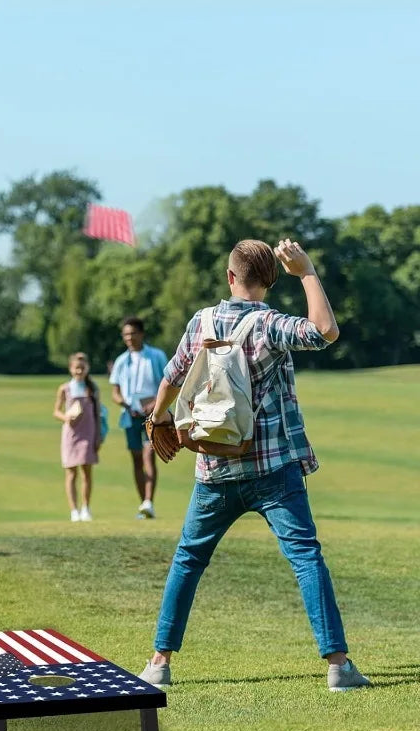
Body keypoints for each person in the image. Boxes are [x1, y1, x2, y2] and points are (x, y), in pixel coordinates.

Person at [139, 239, 370, 692]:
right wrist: (306, 272)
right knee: (306, 559)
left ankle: (158, 663)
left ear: (230, 277)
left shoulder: (202, 320)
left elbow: (172, 376)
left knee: (188, 559)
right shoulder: (270, 324)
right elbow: (325, 330)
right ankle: (339, 667)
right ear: (269, 281)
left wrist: (158, 419)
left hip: (214, 470)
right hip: (273, 471)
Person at [109, 317, 168, 519]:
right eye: (125, 334)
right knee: (136, 459)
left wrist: (153, 405)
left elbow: (167, 384)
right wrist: (125, 404)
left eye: (132, 333)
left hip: (152, 415)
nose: (129, 338)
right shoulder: (121, 361)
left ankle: (149, 501)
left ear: (141, 333)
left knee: (148, 455)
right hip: (130, 416)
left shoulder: (156, 356)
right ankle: (143, 504)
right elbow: (115, 392)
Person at [53, 353, 101, 521]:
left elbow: (97, 414)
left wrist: (98, 436)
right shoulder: (64, 388)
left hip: (88, 432)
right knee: (71, 473)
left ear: (87, 368)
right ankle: (74, 510)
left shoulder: (92, 389)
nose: (79, 371)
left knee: (87, 472)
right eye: (76, 368)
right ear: (70, 369)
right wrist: (66, 417)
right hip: (71, 434)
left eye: (82, 367)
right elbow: (56, 411)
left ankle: (86, 508)